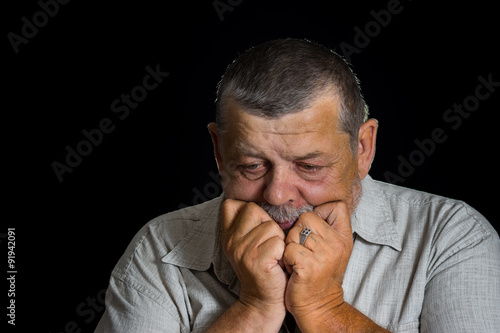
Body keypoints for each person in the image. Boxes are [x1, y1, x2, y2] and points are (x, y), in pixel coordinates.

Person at [95, 38, 500, 332]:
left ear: (362, 148)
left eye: (308, 166)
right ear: (219, 151)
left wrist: (325, 307)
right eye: (252, 166)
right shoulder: (159, 247)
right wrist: (254, 309)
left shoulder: (451, 236)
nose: (277, 194)